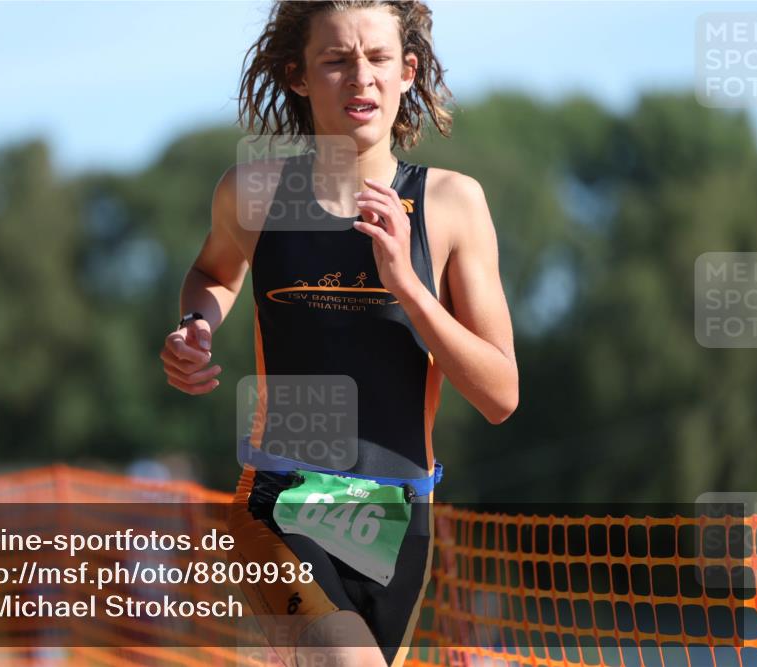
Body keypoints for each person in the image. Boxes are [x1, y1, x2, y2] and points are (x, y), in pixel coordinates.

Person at [159, 1, 518, 665]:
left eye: (379, 58)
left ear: (408, 71)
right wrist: (195, 326)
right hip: (280, 500)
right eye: (337, 60)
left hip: (399, 516)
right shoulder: (252, 193)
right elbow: (212, 272)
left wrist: (409, 287)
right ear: (298, 75)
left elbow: (500, 394)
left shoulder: (452, 205)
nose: (362, 78)